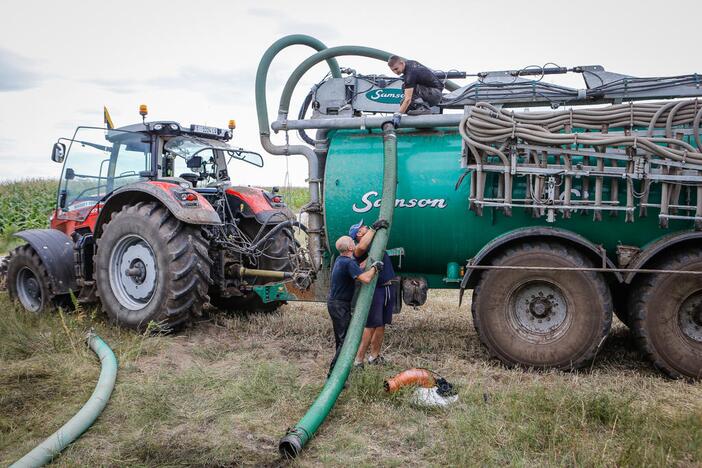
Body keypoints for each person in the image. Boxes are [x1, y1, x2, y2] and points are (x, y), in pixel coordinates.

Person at [327, 235, 384, 377]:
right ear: (351, 248)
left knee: (341, 339)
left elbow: (358, 269)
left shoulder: (341, 260)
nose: (356, 243)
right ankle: (334, 374)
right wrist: (375, 268)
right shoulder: (348, 263)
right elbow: (366, 278)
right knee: (345, 341)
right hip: (340, 306)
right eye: (354, 242)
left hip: (335, 304)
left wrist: (368, 264)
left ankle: (340, 371)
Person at [349, 219, 395, 366]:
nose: (365, 226)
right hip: (376, 290)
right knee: (370, 326)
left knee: (381, 325)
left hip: (388, 287)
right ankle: (358, 360)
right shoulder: (359, 250)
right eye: (362, 227)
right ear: (358, 234)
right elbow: (361, 246)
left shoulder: (375, 244)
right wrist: (374, 229)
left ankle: (374, 357)